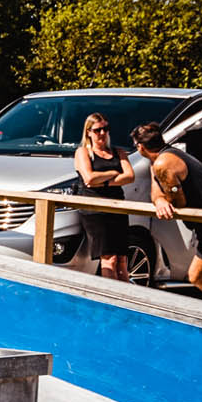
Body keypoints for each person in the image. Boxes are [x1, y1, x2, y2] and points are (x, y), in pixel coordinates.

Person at [132, 123, 202, 306]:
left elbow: (178, 202)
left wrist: (164, 198)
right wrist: (159, 199)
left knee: (197, 276)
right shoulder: (168, 155)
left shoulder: (163, 164)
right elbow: (158, 189)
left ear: (140, 147)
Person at [72, 113, 134, 281]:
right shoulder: (83, 152)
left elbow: (130, 176)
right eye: (97, 130)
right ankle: (111, 295)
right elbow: (89, 179)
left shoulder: (118, 152)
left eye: (105, 129)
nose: (102, 133)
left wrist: (104, 182)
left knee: (122, 260)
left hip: (118, 207)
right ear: (88, 132)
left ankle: (125, 295)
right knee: (109, 259)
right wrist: (114, 172)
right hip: (96, 210)